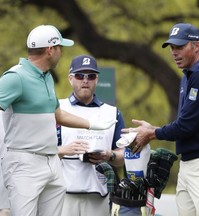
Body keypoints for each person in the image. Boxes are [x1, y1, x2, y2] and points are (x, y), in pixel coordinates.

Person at [0, 24, 117, 216]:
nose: (61, 52)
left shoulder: (46, 77)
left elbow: (58, 114)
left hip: (52, 161)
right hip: (25, 163)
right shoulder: (16, 76)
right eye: (60, 48)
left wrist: (93, 124)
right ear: (50, 50)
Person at [125, 23, 199, 216]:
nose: (174, 52)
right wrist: (153, 129)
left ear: (196, 46)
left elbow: (186, 126)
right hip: (189, 165)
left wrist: (152, 133)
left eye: (179, 47)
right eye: (172, 47)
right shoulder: (188, 76)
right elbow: (187, 122)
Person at [57, 54, 125, 216]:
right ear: (70, 79)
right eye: (80, 75)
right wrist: (64, 150)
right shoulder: (58, 109)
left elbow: (124, 155)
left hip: (98, 195)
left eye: (91, 76)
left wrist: (111, 155)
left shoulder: (112, 113)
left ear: (97, 80)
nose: (85, 80)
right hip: (63, 194)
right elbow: (41, 151)